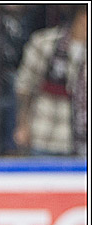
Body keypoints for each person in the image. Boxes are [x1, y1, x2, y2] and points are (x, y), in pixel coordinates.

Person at [14, 5, 87, 156]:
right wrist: (22, 125)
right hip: (45, 134)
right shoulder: (44, 43)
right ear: (81, 18)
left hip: (83, 141)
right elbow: (25, 87)